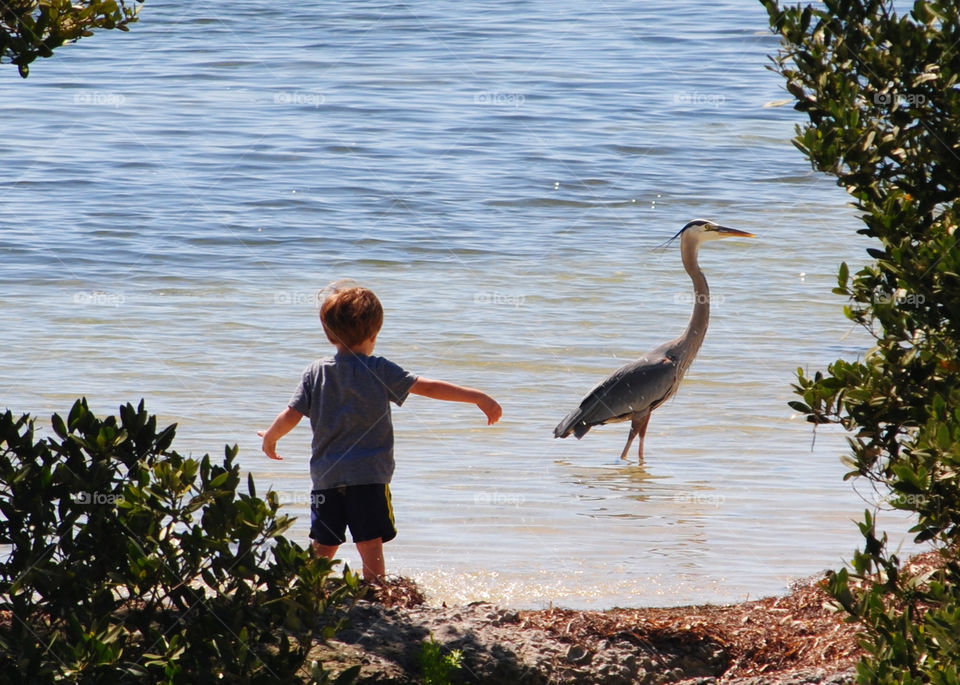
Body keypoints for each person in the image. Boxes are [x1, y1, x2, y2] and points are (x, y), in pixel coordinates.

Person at [259, 282, 502, 582]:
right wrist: (477, 397)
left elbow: (291, 414)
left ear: (329, 333)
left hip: (326, 478)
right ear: (374, 334)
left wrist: (271, 437)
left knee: (324, 542)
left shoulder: (315, 372)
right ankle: (375, 591)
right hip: (369, 477)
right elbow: (427, 387)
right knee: (369, 539)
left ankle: (309, 590)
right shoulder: (380, 369)